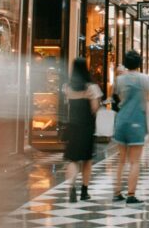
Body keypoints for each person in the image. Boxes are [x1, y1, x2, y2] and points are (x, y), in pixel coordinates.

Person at [113, 50, 149, 204]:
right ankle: (131, 194)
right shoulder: (145, 79)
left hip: (121, 121)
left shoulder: (119, 80)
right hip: (137, 121)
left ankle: (117, 192)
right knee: (135, 161)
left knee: (121, 161)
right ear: (139, 63)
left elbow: (117, 97)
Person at [62, 58, 101, 202]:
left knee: (73, 159)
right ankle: (84, 191)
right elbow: (94, 108)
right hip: (87, 127)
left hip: (73, 126)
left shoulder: (67, 87)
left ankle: (71, 187)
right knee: (87, 160)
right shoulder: (91, 88)